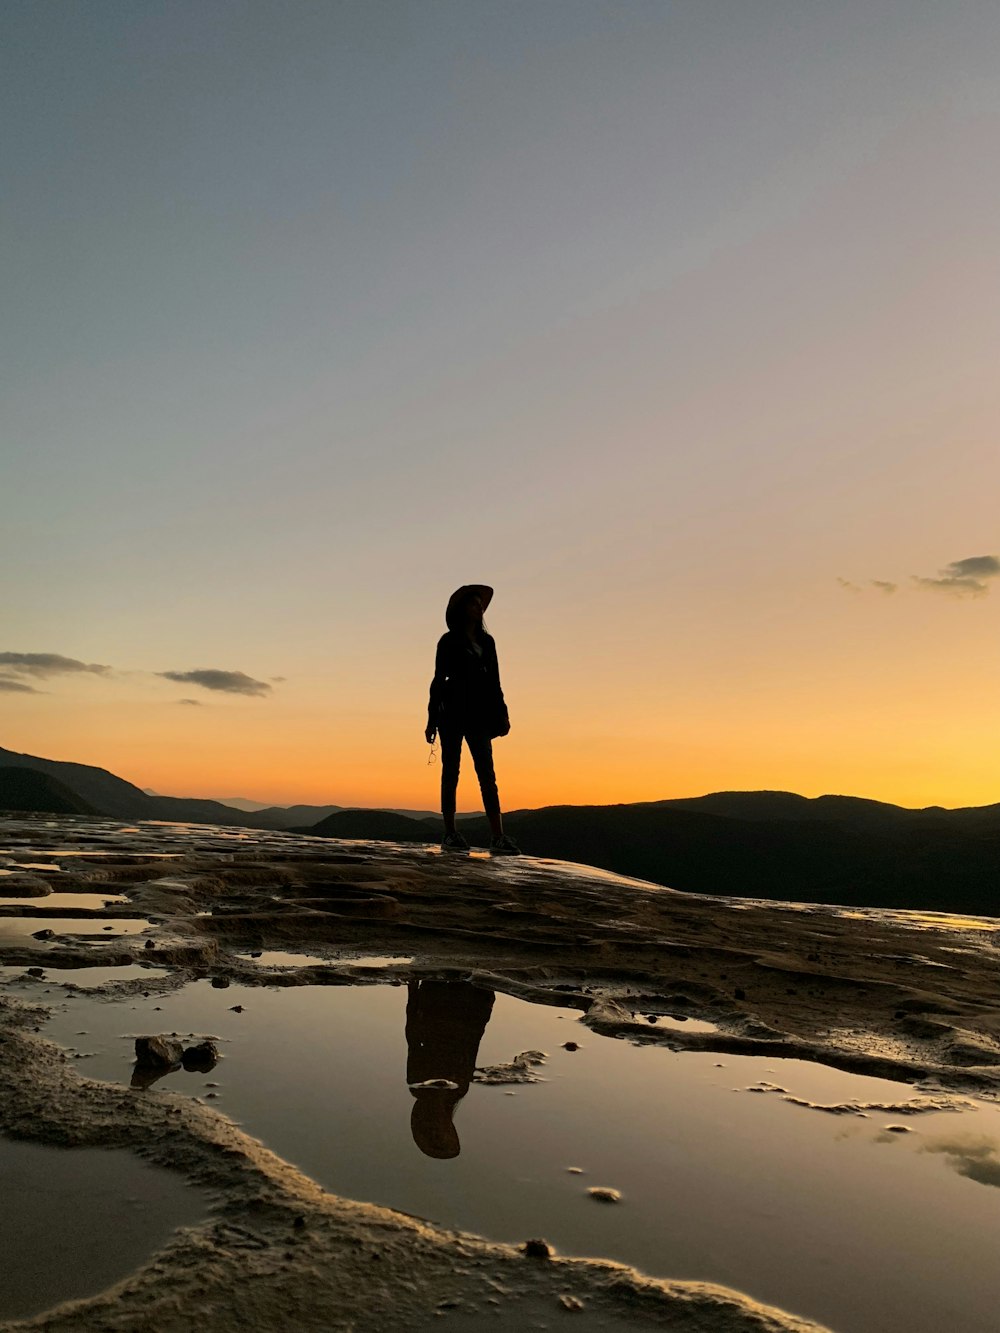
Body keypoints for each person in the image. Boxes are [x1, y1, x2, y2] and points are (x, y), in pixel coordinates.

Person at [425, 583, 521, 854]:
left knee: (487, 775)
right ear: (462, 609)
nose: (479, 608)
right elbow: (438, 680)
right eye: (474, 603)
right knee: (451, 772)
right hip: (452, 713)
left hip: (479, 715)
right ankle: (450, 833)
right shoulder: (448, 641)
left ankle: (498, 836)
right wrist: (432, 719)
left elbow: (495, 681)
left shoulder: (488, 643)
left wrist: (502, 713)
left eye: (481, 604)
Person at [405, 979, 495, 1159]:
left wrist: (413, 992)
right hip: (463, 1008)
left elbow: (413, 1035)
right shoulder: (456, 1090)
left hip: (441, 1007)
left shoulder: (421, 1084)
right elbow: (471, 1045)